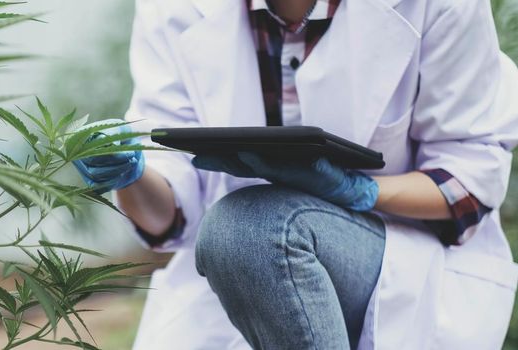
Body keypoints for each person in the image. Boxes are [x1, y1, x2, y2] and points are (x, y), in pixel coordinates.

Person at [72, 0, 518, 349]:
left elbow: (470, 178)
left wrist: (357, 191)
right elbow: (169, 217)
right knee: (242, 234)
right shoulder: (174, 7)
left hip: (397, 251)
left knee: (250, 230)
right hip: (232, 273)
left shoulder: (439, 4)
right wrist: (129, 173)